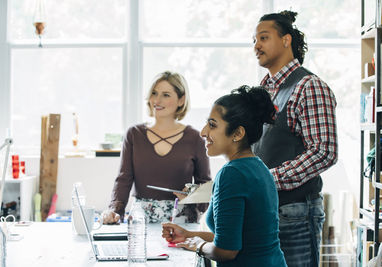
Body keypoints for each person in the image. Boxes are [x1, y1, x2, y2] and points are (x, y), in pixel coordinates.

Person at [162, 86, 287, 267]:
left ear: (237, 133)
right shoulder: (259, 168)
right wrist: (189, 236)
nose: (203, 132)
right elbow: (234, 237)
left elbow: (227, 251)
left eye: (212, 125)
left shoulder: (232, 173)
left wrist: (199, 245)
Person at [252, 10, 338, 266]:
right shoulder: (263, 90)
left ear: (286, 40)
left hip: (295, 213)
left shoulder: (309, 86)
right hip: (266, 209)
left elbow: (324, 151)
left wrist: (268, 179)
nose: (256, 46)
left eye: (263, 38)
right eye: (254, 40)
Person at [102, 71, 211, 224]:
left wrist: (193, 196)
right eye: (154, 93)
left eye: (166, 95)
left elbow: (205, 185)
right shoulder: (134, 134)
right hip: (141, 220)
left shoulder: (195, 138)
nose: (157, 100)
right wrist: (114, 210)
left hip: (182, 222)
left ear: (181, 100)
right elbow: (123, 179)